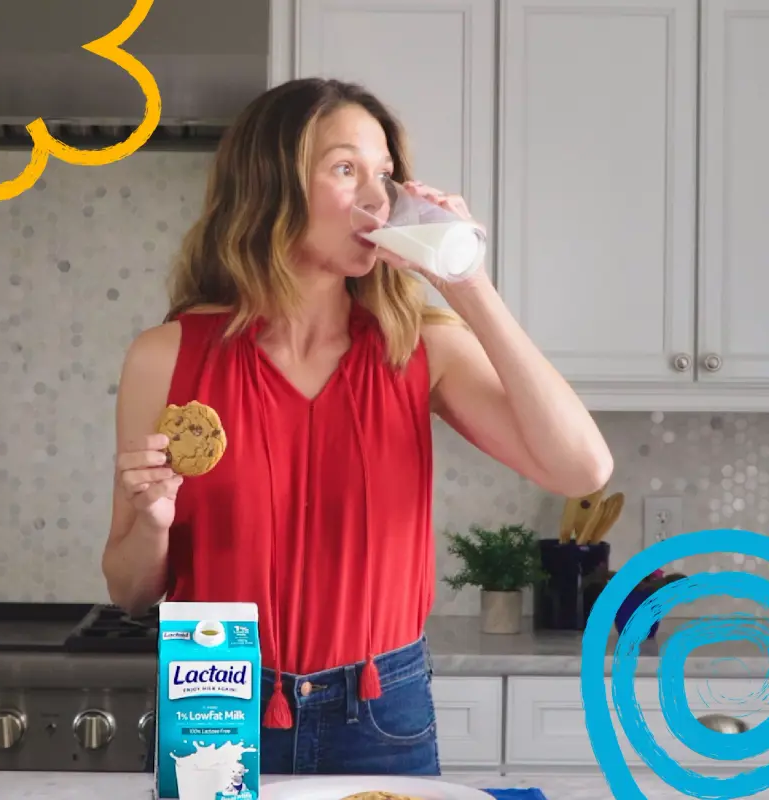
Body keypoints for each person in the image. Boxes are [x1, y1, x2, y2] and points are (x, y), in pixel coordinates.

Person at [101, 77, 613, 776]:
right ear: (269, 186)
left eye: (385, 174)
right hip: (214, 695)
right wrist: (153, 523)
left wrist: (466, 284)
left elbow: (583, 469)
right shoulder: (165, 358)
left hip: (379, 704)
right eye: (346, 169)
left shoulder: (418, 346)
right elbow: (129, 591)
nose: (378, 198)